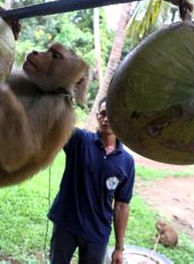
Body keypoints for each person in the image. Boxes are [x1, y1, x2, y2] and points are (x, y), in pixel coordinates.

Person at [48, 96, 135, 264]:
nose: (106, 118)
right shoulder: (79, 140)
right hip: (66, 224)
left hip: (97, 232)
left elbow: (122, 205)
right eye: (102, 113)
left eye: (112, 114)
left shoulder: (127, 162)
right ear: (97, 117)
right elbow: (56, 122)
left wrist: (119, 247)